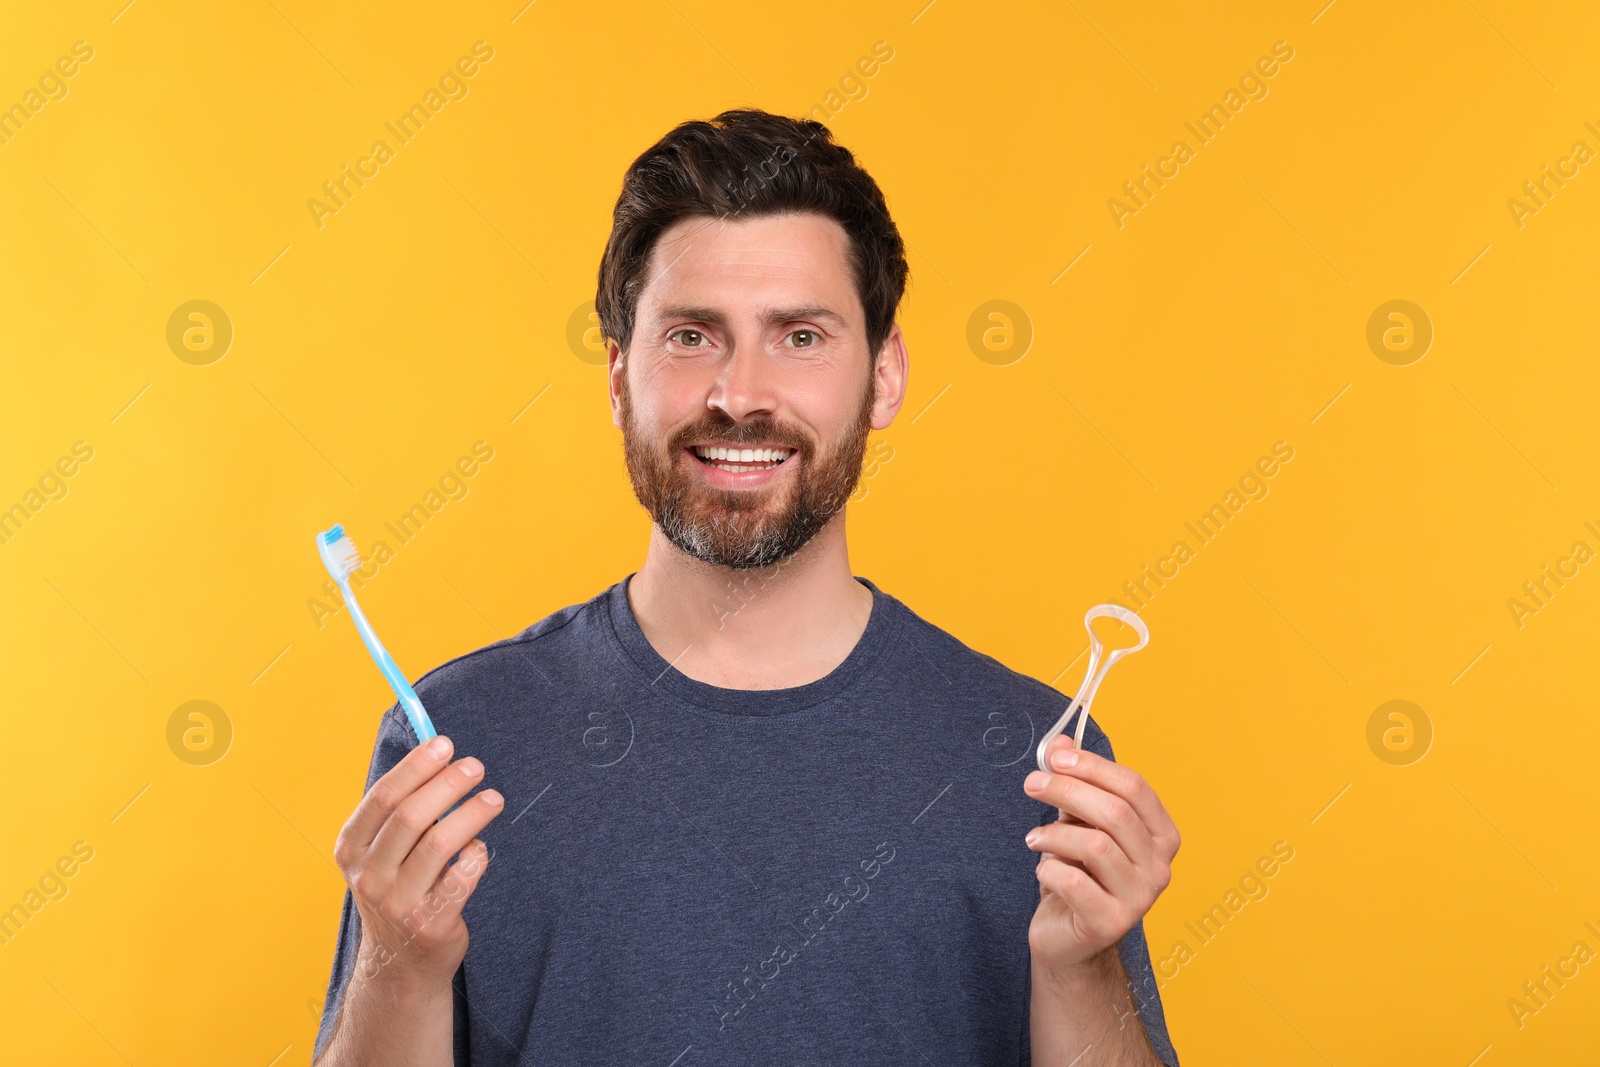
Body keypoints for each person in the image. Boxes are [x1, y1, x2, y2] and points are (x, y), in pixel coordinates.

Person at [312, 108, 1181, 1066]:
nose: (740, 391)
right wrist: (396, 964)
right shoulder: (455, 742)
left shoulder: (1040, 761)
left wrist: (1078, 971)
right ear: (617, 377)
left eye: (800, 337)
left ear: (884, 376)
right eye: (691, 335)